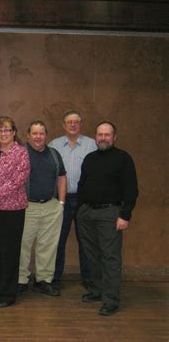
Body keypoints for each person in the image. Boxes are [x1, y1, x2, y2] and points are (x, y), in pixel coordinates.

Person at [77, 121, 138, 316]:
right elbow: (82, 184)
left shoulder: (123, 158)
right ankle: (97, 290)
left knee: (110, 257)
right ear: (95, 137)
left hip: (110, 214)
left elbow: (131, 190)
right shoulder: (89, 158)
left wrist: (125, 215)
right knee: (92, 255)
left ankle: (111, 300)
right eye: (100, 134)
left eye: (107, 135)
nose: (103, 138)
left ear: (114, 137)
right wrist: (80, 209)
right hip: (87, 214)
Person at [0, 116, 31, 308]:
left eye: (6, 130)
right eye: (0, 130)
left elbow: (18, 180)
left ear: (14, 132)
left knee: (9, 252)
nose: (3, 133)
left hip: (12, 209)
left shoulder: (21, 153)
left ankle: (7, 293)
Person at [49, 110, 97, 290]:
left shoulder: (92, 145)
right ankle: (54, 279)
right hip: (61, 199)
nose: (73, 125)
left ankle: (89, 279)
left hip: (84, 199)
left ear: (81, 124)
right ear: (63, 125)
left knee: (86, 241)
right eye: (69, 122)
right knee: (58, 240)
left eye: (76, 122)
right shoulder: (54, 145)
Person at [18, 121, 67, 297]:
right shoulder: (20, 152)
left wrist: (60, 204)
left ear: (46, 135)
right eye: (35, 133)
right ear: (28, 135)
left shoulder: (54, 154)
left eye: (42, 133)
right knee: (23, 244)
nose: (38, 137)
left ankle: (44, 280)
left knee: (48, 246)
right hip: (26, 206)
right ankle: (21, 280)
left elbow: (62, 177)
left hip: (51, 207)